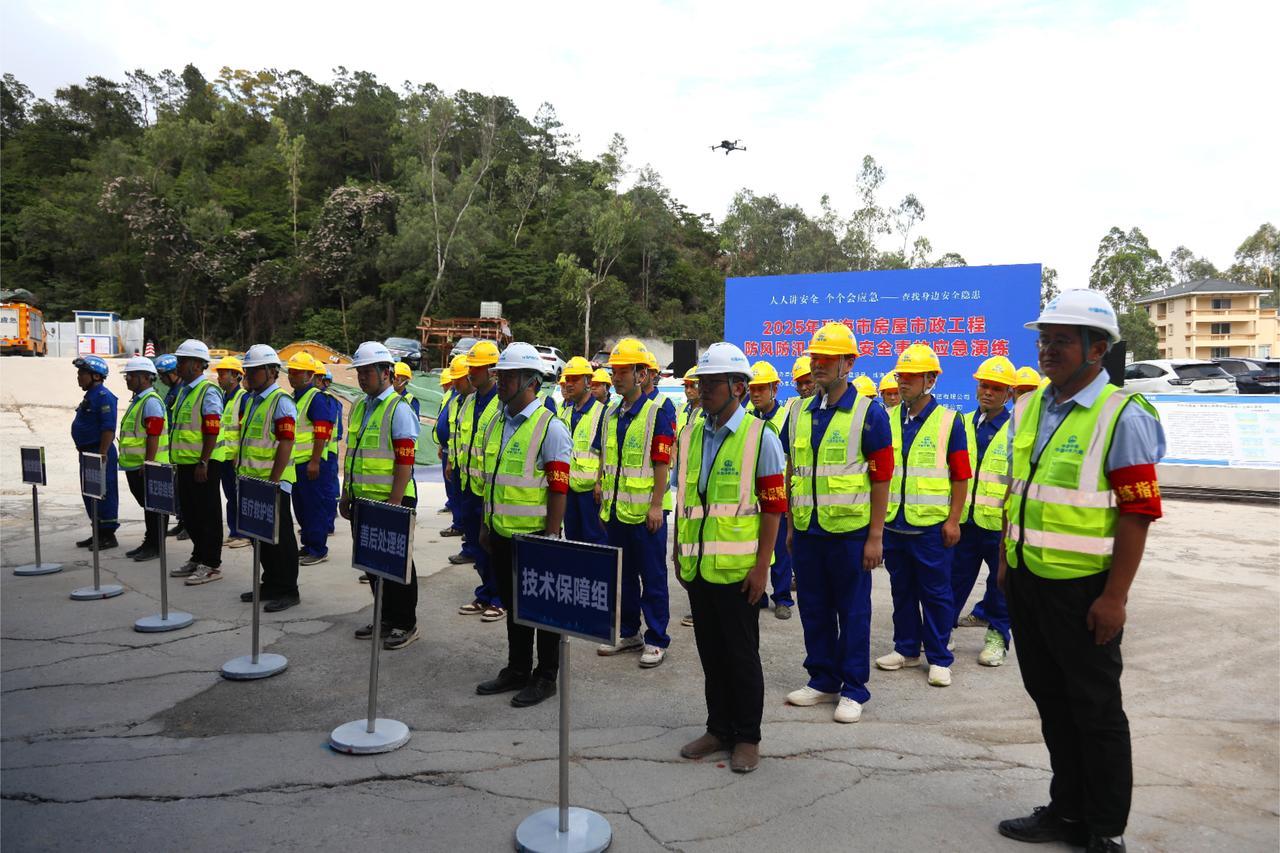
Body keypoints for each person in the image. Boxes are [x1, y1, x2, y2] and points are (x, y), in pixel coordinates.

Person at [997, 290, 1165, 853]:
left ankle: (1104, 828)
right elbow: (1017, 492)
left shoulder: (1122, 415)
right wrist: (1005, 559)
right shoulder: (1029, 407)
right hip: (1027, 580)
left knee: (1096, 710)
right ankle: (1066, 810)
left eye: (1062, 341)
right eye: (1044, 340)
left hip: (1084, 590)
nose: (1047, 350)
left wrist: (1115, 598)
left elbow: (1138, 513)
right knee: (1051, 700)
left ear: (1097, 350)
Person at [674, 343, 787, 773]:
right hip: (698, 567)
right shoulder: (691, 434)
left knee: (741, 657)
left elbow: (774, 509)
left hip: (739, 572)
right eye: (701, 382)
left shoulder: (761, 438)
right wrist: (678, 552)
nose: (703, 390)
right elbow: (685, 500)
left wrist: (762, 568)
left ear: (738, 387)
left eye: (712, 383)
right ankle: (718, 728)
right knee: (711, 653)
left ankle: (747, 736)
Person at [782, 323, 893, 724]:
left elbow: (882, 477)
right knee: (813, 607)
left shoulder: (869, 413)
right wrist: (791, 527)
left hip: (850, 534)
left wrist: (875, 536)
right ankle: (822, 678)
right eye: (815, 358)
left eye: (827, 359)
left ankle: (854, 687)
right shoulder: (797, 411)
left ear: (848, 363)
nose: (818, 365)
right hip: (808, 531)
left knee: (852, 611)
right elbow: (793, 470)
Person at [474, 343, 572, 706]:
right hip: (501, 533)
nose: (501, 382)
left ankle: (546, 676)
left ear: (532, 382)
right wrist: (486, 524)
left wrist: (551, 536)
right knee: (514, 607)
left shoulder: (550, 428)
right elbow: (492, 479)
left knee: (543, 609)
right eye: (500, 375)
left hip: (536, 537)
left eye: (509, 376)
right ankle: (517, 668)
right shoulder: (497, 422)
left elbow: (559, 489)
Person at [875, 344, 971, 688]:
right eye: (901, 376)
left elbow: (961, 475)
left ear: (930, 380)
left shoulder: (949, 421)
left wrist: (954, 520)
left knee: (936, 594)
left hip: (931, 526)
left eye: (912, 377)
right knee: (901, 590)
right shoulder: (886, 419)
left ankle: (940, 657)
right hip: (894, 524)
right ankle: (906, 649)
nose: (903, 382)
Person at [594, 338, 675, 668]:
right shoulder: (611, 414)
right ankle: (629, 632)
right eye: (614, 371)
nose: (616, 377)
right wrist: (602, 491)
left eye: (623, 371)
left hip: (644, 514)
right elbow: (606, 458)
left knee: (652, 577)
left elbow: (662, 463)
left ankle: (656, 638)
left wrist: (656, 505)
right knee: (623, 576)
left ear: (641, 375)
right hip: (616, 511)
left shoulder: (657, 413)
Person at [342, 341, 421, 648]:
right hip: (363, 500)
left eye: (368, 372)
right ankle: (385, 616)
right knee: (373, 564)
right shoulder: (360, 406)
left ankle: (406, 623)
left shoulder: (398, 409)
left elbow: (405, 460)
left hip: (392, 500)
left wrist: (395, 502)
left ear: (386, 372)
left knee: (398, 565)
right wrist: (346, 493)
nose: (362, 378)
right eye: (359, 372)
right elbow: (353, 454)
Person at [950, 355, 1016, 666]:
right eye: (984, 385)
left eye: (996, 388)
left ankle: (997, 637)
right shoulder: (960, 423)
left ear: (1009, 394)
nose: (988, 392)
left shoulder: (1017, 430)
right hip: (964, 521)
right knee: (954, 580)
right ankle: (941, 631)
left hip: (999, 525)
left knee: (1001, 584)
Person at [233, 345, 301, 611]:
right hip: (253, 481)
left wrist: (273, 480)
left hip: (273, 483)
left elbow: (286, 442)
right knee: (260, 537)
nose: (248, 375)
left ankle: (288, 589)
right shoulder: (252, 399)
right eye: (247, 370)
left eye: (254, 370)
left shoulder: (280, 401)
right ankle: (271, 583)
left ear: (272, 371)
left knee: (281, 539)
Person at [455, 340, 506, 621]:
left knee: (494, 546)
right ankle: (485, 593)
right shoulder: (468, 401)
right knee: (477, 544)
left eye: (476, 368)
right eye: (470, 367)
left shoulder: (502, 404)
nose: (470, 372)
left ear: (492, 370)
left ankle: (500, 598)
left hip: (491, 490)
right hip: (469, 486)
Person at [168, 339, 225, 585]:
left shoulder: (207, 391)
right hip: (185, 462)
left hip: (203, 465)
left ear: (196, 364)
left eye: (182, 361)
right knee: (190, 515)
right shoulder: (185, 391)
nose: (178, 365)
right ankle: (198, 555)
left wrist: (204, 461)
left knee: (207, 515)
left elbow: (212, 429)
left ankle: (211, 563)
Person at [745, 360, 794, 620]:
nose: (756, 394)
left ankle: (782, 598)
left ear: (774, 389)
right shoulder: (746, 418)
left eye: (761, 388)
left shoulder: (785, 417)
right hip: (752, 495)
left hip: (777, 493)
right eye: (752, 389)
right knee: (757, 546)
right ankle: (759, 594)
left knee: (780, 549)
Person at [286, 353, 338, 566]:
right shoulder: (294, 398)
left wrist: (315, 461)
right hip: (296, 464)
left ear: (309, 375)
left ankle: (318, 549)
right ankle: (308, 545)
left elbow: (321, 432)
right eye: (290, 372)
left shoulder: (316, 398)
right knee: (301, 507)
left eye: (297, 372)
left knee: (314, 507)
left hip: (311, 464)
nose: (292, 376)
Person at [118, 356, 168, 562]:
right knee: (148, 506)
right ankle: (150, 542)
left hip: (148, 466)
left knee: (155, 507)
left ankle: (155, 545)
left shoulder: (151, 402)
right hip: (135, 465)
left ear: (145, 378)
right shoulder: (140, 401)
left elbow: (153, 435)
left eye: (131, 376)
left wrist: (148, 463)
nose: (127, 379)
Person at [557, 355, 609, 546]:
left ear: (588, 381)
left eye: (575, 379)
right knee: (572, 538)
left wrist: (600, 483)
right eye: (567, 379)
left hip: (591, 492)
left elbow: (606, 452)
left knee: (595, 540)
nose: (569, 384)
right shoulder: (565, 413)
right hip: (568, 488)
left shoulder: (602, 412)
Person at [70, 355, 120, 550]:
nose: (78, 377)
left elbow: (108, 428)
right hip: (88, 453)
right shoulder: (90, 395)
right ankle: (98, 531)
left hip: (100, 453)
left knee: (104, 493)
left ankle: (108, 535)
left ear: (96, 376)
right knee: (90, 492)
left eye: (82, 373)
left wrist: (102, 453)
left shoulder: (104, 396)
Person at [212, 355, 250, 549]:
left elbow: (243, 429)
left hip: (235, 458)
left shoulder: (242, 398)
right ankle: (234, 531)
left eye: (223, 374)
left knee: (239, 496)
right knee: (230, 496)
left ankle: (244, 533)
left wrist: (238, 455)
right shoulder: (224, 398)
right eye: (219, 373)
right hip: (224, 456)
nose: (219, 377)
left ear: (236, 376)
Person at [155, 353, 186, 540]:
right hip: (175, 447)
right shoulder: (174, 390)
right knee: (178, 489)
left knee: (184, 491)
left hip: (183, 448)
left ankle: (188, 524)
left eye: (163, 376)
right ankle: (182, 521)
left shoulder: (181, 390)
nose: (161, 380)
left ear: (173, 373)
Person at [437, 355, 467, 538]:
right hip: (451, 453)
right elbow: (451, 426)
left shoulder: (470, 400)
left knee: (465, 497)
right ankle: (459, 524)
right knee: (454, 490)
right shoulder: (455, 398)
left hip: (466, 459)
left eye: (457, 379)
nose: (453, 383)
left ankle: (465, 528)